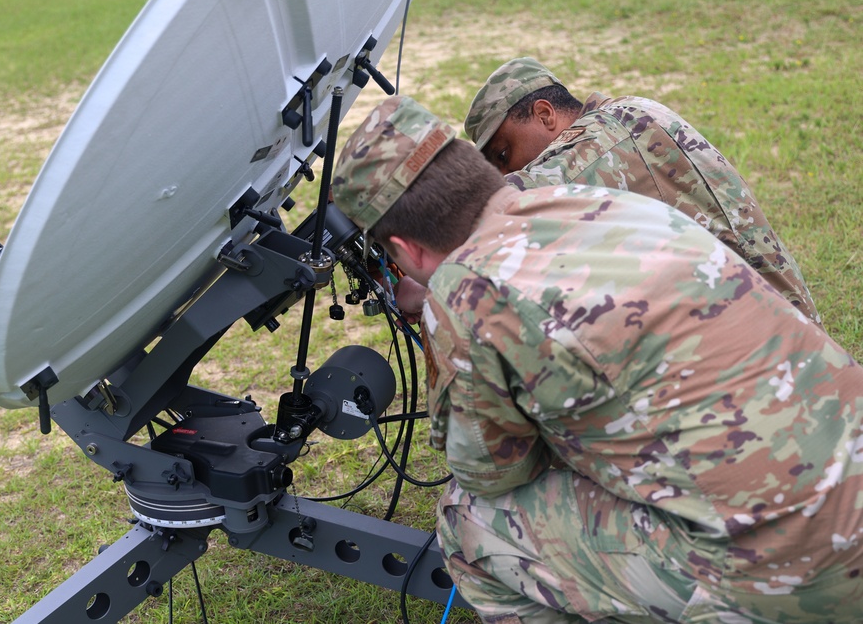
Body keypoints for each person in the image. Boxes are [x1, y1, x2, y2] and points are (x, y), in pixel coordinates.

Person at [332, 95, 863, 623]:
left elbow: (491, 474)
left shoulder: (465, 294)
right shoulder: (606, 202)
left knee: (469, 522)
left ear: (407, 248)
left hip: (807, 576)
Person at [464, 57, 821, 325]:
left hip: (772, 344)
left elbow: (515, 199)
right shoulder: (624, 113)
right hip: (747, 323)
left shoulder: (607, 136)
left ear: (544, 114)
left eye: (504, 154)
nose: (508, 171)